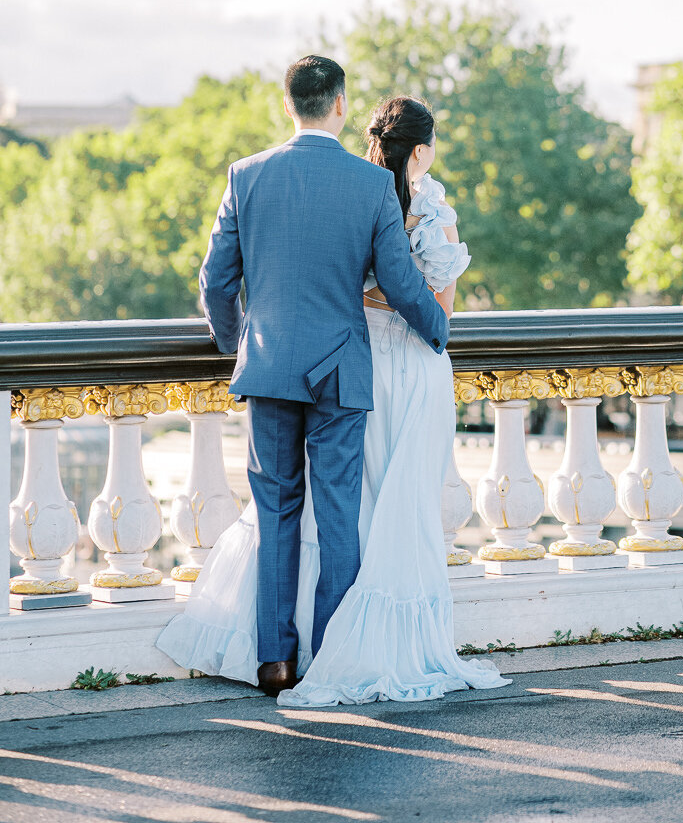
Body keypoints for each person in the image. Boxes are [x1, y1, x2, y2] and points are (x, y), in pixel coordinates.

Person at [157, 75, 507, 705]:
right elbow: (402, 284)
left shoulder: (245, 175)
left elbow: (215, 282)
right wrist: (437, 332)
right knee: (339, 515)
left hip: (268, 369)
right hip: (342, 370)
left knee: (277, 513)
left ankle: (274, 661)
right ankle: (330, 656)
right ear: (341, 105)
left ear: (288, 104)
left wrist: (240, 343)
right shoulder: (370, 184)